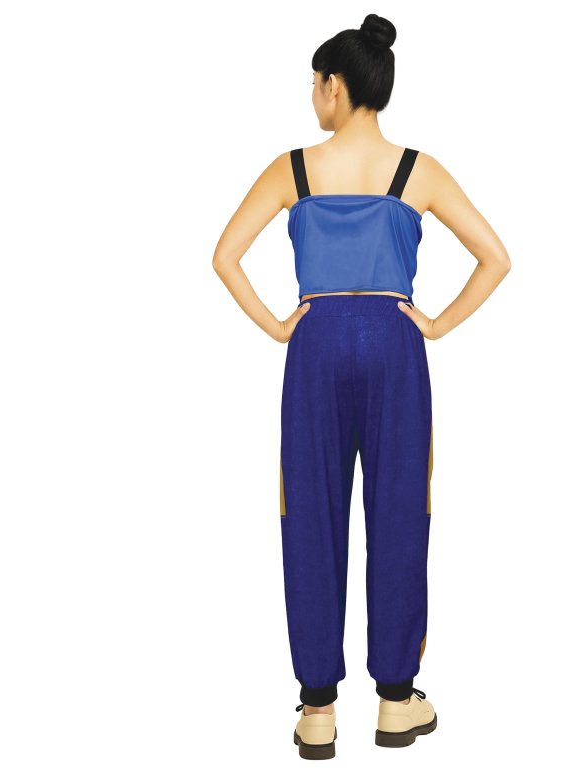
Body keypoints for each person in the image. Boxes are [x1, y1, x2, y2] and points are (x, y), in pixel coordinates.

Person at [212, 13, 510, 759]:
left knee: (309, 513)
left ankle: (317, 709)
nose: (313, 96)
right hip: (394, 346)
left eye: (314, 83)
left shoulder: (292, 169)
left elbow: (224, 256)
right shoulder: (419, 170)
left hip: (314, 347)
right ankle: (396, 701)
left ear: (334, 85)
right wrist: (434, 324)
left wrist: (278, 326)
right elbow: (496, 258)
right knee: (401, 511)